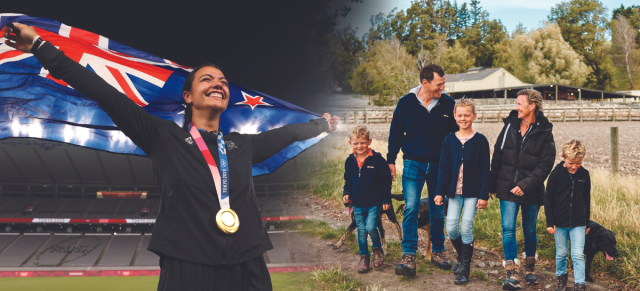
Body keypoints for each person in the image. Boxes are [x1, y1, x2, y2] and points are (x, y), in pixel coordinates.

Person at [4, 23, 339, 291]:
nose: (218, 84)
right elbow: (99, 90)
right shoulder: (162, 137)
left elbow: (289, 133)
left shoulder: (242, 146)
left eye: (223, 81)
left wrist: (323, 124)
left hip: (247, 263)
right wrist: (39, 47)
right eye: (207, 79)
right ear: (187, 96)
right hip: (186, 267)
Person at [388, 64, 459, 277]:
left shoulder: (448, 104)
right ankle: (408, 255)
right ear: (425, 82)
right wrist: (391, 160)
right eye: (439, 84)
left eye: (443, 83)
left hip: (439, 165)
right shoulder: (406, 103)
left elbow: (455, 137)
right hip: (413, 163)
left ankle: (438, 251)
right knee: (410, 207)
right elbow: (395, 132)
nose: (443, 87)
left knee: (437, 208)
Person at [489, 89, 555, 290]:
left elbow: (546, 164)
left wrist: (525, 185)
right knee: (508, 229)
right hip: (506, 187)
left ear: (531, 106)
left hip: (531, 190)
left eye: (519, 104)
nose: (515, 107)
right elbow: (498, 154)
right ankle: (511, 272)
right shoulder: (509, 126)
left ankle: (530, 268)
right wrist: (492, 185)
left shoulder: (544, 131)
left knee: (529, 229)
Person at [434, 98, 490, 285]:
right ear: (454, 116)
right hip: (453, 193)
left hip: (473, 193)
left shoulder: (481, 141)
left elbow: (485, 169)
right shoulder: (449, 140)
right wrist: (439, 192)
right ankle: (462, 256)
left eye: (467, 115)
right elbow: (443, 168)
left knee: (466, 227)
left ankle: (464, 267)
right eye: (460, 115)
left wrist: (484, 195)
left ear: (474, 116)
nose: (463, 118)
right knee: (451, 227)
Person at [342, 125, 392, 273]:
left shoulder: (378, 160)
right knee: (362, 231)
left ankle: (377, 250)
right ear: (350, 143)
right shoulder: (349, 161)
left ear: (369, 142)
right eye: (356, 143)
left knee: (371, 227)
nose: (360, 146)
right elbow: (348, 181)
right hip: (357, 203)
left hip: (374, 203)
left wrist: (386, 200)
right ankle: (364, 257)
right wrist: (346, 193)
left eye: (363, 142)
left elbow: (386, 181)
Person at [545, 140, 591, 291]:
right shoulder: (556, 174)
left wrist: (587, 223)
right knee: (562, 253)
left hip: (578, 222)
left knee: (577, 254)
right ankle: (561, 279)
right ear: (563, 156)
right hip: (559, 222)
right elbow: (548, 199)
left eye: (578, 163)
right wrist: (550, 222)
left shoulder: (584, 175)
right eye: (571, 162)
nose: (574, 166)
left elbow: (586, 199)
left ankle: (580, 284)